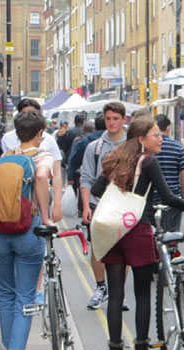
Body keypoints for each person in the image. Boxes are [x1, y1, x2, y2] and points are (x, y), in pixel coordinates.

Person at [91, 116, 184, 350]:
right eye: (155, 134)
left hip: (112, 229)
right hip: (137, 229)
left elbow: (98, 189)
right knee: (142, 292)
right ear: (141, 139)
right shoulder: (148, 161)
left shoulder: (115, 158)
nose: (160, 138)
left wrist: (120, 191)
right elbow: (168, 197)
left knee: (116, 293)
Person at [0, 110, 54, 350]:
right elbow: (41, 178)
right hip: (27, 230)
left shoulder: (5, 157)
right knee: (25, 295)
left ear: (17, 133)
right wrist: (46, 217)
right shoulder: (41, 156)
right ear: (40, 134)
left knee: (5, 294)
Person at [80, 102, 127, 309]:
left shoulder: (132, 145)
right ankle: (101, 288)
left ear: (123, 120)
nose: (111, 123)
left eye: (115, 119)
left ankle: (119, 291)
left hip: (124, 205)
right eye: (108, 118)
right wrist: (86, 206)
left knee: (122, 249)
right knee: (98, 248)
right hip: (99, 203)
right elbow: (86, 179)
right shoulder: (94, 147)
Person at [2, 98, 63, 223]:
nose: (30, 119)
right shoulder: (7, 139)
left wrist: (57, 204)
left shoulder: (48, 140)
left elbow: (56, 174)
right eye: (26, 114)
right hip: (12, 199)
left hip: (39, 201)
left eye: (34, 114)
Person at [153, 114, 184, 233]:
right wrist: (182, 194)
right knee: (172, 234)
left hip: (152, 197)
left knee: (152, 234)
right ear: (168, 128)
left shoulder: (149, 147)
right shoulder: (178, 147)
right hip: (173, 196)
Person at [68, 115, 105, 216]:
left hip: (90, 188)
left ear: (95, 127)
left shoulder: (84, 142)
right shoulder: (122, 144)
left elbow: (74, 161)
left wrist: (70, 175)